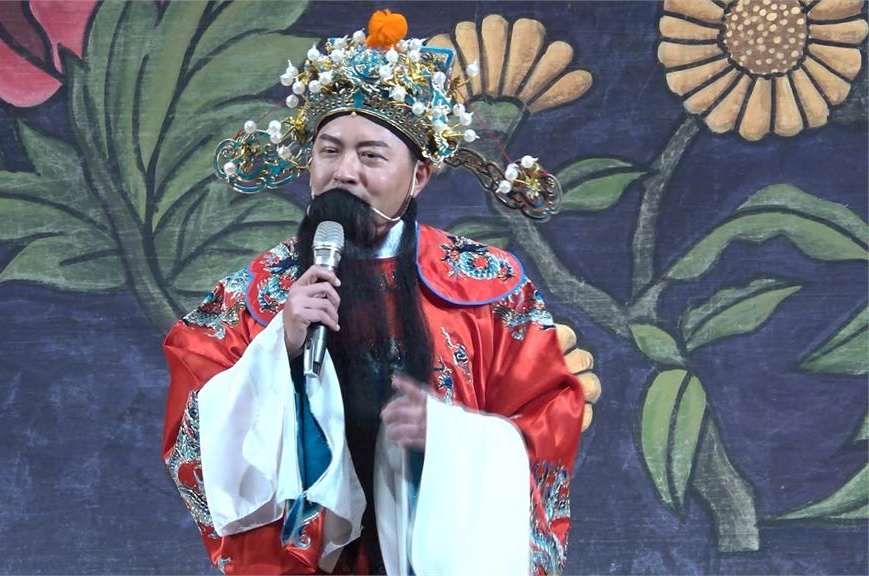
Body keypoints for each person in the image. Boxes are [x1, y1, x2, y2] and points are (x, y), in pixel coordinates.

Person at [162, 10, 584, 575]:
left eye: (371, 155)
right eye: (329, 150)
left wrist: (452, 438)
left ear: (418, 177)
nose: (345, 172)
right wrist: (278, 349)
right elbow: (192, 431)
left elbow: (549, 423)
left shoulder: (488, 289)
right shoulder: (259, 293)